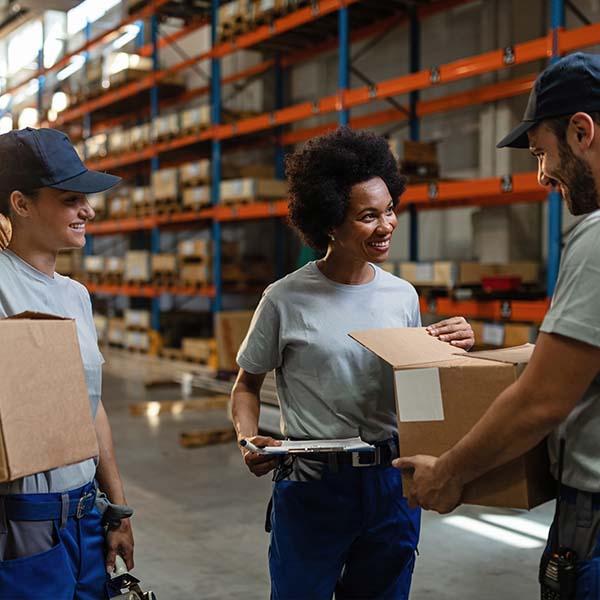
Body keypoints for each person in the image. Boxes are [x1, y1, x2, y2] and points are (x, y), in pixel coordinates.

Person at [231, 127, 474, 600]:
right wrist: (246, 438)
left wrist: (452, 350)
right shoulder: (284, 299)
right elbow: (246, 384)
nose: (386, 226)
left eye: (389, 210)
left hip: (390, 483)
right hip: (312, 486)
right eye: (367, 216)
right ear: (329, 223)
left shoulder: (402, 295)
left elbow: (416, 391)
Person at [394, 51, 600, 598]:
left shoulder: (597, 235)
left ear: (582, 132)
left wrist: (450, 471)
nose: (540, 175)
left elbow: (541, 403)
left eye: (541, 153)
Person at [0, 127, 134, 599]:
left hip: (85, 516)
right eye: (70, 199)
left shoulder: (75, 295)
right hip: (22, 519)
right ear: (21, 203)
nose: (88, 210)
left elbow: (89, 406)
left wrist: (117, 508)